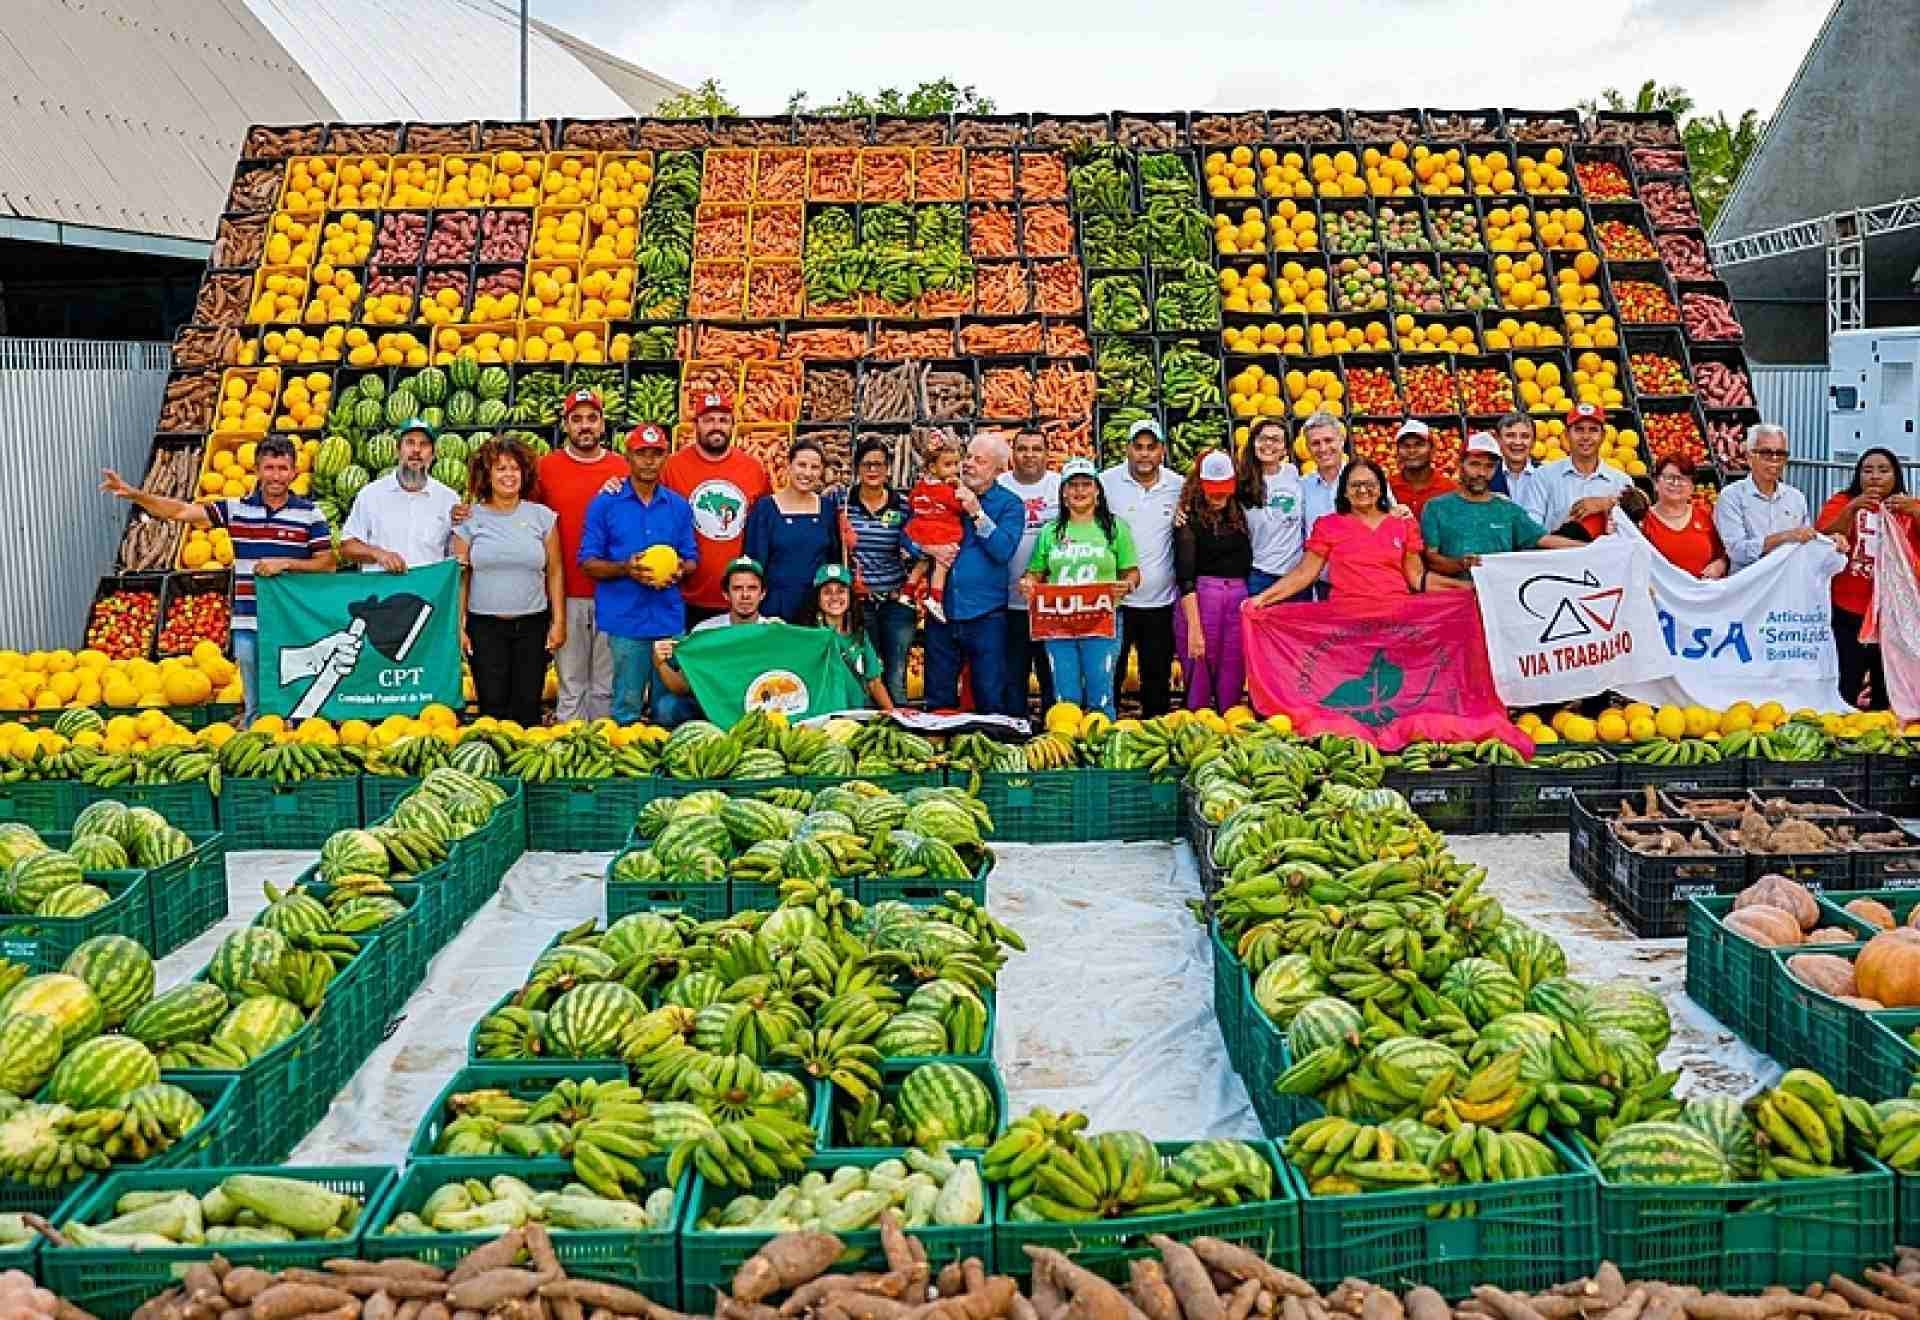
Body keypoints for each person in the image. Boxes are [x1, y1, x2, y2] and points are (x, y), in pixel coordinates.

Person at [99, 436, 334, 727]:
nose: (276, 475)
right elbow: (181, 511)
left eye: (283, 468)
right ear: (257, 470)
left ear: (294, 472)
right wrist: (136, 495)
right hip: (248, 616)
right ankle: (253, 733)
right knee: (251, 679)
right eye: (269, 468)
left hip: (290, 619)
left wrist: (286, 563)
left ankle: (295, 736)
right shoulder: (236, 509)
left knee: (293, 683)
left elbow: (327, 563)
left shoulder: (310, 513)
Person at [578, 423, 698, 726]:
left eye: (656, 454)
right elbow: (588, 561)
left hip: (667, 621)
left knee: (668, 706)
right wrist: (625, 569)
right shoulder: (604, 504)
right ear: (627, 457)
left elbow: (692, 558)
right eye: (641, 453)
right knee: (625, 705)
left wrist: (679, 571)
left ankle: (666, 766)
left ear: (665, 457)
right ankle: (629, 768)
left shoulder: (678, 507)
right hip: (625, 620)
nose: (648, 461)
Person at [1247, 459, 1471, 607]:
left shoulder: (1403, 524)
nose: (1363, 490)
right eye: (1355, 485)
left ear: (1382, 488)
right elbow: (1305, 574)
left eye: (1370, 484)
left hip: (1397, 618)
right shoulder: (1328, 525)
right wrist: (1262, 599)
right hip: (1346, 621)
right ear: (1344, 491)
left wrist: (1468, 589)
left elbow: (1417, 578)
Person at [451, 435, 564, 727]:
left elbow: (555, 571)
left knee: (527, 710)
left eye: (514, 468)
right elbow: (460, 577)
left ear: (524, 473)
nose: (508, 475)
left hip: (532, 625)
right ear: (486, 475)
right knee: (492, 710)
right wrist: (458, 625)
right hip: (484, 628)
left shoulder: (542, 517)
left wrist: (559, 621)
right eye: (500, 468)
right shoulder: (469, 518)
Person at [1016, 457, 1137, 718]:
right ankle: (1067, 745)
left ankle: (1101, 746)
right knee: (1065, 695)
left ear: (1097, 491)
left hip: (1101, 620)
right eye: (1073, 486)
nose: (1079, 491)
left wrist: (1126, 585)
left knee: (1101, 691)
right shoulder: (1051, 531)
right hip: (1059, 622)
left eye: (1086, 484)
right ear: (1063, 493)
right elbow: (1035, 572)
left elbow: (1132, 572)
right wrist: (1027, 583)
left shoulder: (1114, 528)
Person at [536, 385, 628, 723]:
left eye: (592, 418)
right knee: (571, 682)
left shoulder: (622, 468)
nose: (585, 426)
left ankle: (601, 754)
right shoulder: (546, 468)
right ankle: (569, 753)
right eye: (577, 419)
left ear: (603, 424)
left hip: (613, 590)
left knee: (606, 684)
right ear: (566, 424)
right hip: (565, 593)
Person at [919, 433, 1023, 716]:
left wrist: (977, 513)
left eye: (980, 461)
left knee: (990, 693)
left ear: (999, 470)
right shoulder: (941, 491)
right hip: (942, 613)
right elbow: (908, 535)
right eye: (968, 458)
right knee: (938, 694)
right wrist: (929, 547)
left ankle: (989, 748)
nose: (969, 465)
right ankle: (941, 752)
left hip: (986, 615)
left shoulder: (1009, 505)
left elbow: (1003, 550)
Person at [1816, 447, 1920, 709]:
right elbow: (1823, 536)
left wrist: (1916, 511)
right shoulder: (1842, 501)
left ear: (1896, 475)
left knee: (1890, 688)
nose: (1874, 476)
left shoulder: (1909, 505)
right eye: (1867, 470)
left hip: (1895, 615)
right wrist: (1852, 508)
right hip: (1848, 609)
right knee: (1846, 681)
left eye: (1883, 470)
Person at [661, 391, 770, 624]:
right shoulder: (671, 467)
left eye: (723, 420)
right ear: (695, 424)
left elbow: (765, 524)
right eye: (708, 420)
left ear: (732, 425)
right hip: (685, 595)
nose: (716, 426)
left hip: (739, 600)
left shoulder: (753, 469)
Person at [1102, 419, 1184, 717]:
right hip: (1116, 601)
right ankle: (1107, 732)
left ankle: (1155, 731)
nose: (1144, 454)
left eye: (1151, 447)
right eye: (1138, 447)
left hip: (1160, 601)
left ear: (1162, 450)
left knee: (1156, 676)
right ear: (1127, 449)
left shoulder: (1177, 486)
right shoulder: (1106, 482)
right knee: (1112, 674)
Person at [1420, 433, 1578, 581]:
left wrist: (1594, 548)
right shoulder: (1436, 508)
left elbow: (1543, 539)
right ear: (1460, 464)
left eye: (1489, 466)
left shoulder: (1507, 509)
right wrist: (1460, 564)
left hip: (1498, 596)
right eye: (1474, 464)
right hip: (1455, 596)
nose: (1481, 472)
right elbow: (1431, 559)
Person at [649, 557, 777, 725]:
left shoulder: (774, 631)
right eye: (737, 588)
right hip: (711, 707)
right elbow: (683, 687)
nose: (745, 595)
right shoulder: (705, 631)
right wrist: (660, 663)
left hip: (758, 708)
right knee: (666, 708)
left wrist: (782, 637)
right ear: (726, 594)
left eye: (752, 588)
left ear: (762, 594)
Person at [1175, 450, 1255, 712]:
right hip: (1202, 597)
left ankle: (1229, 727)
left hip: (1238, 597)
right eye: (1212, 489)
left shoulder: (1239, 511)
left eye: (1224, 488)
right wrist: (1195, 629)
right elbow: (1185, 577)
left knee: (1232, 673)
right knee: (1198, 670)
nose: (1218, 495)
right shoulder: (1188, 519)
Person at [839, 439, 915, 705]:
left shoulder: (902, 506)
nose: (873, 470)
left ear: (888, 469)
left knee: (895, 672)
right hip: (859, 603)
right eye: (866, 464)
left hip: (896, 600)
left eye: (879, 464)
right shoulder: (842, 502)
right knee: (865, 670)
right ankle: (867, 725)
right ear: (857, 468)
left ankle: (901, 726)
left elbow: (917, 546)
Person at [338, 418, 458, 570]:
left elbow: (456, 557)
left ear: (433, 455)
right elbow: (347, 547)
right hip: (383, 591)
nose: (416, 450)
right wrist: (378, 554)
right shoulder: (371, 495)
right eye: (410, 443)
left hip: (427, 592)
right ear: (398, 450)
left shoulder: (448, 499)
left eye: (424, 444)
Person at [998, 428, 1061, 712]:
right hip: (1007, 601)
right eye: (1023, 449)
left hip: (1050, 602)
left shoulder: (1060, 486)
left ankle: (1052, 731)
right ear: (1013, 454)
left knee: (1051, 674)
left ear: (1047, 454)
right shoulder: (999, 486)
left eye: (1037, 449)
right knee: (1013, 675)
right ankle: (1016, 731)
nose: (1030, 455)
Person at [744, 438, 840, 623]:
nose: (807, 473)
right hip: (775, 609)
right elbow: (753, 564)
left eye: (814, 467)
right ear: (788, 466)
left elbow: (833, 561)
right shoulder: (765, 509)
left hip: (816, 608)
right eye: (801, 465)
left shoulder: (827, 509)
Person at [1716, 423, 1818, 573]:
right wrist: (1784, 537)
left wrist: (1830, 542)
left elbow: (1805, 546)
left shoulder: (1796, 498)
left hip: (1787, 584)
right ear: (1749, 458)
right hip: (1750, 586)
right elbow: (1737, 552)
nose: (1775, 460)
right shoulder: (1731, 497)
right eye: (1766, 453)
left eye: (1781, 454)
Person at [796, 562, 894, 712]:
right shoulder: (809, 636)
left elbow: (874, 682)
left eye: (841, 591)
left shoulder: (860, 635)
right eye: (827, 592)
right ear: (818, 598)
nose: (835, 597)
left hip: (857, 718)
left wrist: (892, 713)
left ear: (850, 596)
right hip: (823, 721)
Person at [1534, 403, 1634, 540]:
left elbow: (1632, 531)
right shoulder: (1543, 476)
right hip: (1557, 557)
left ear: (1603, 436)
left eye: (1593, 430)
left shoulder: (1621, 481)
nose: (1586, 436)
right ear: (1566, 435)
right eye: (1579, 430)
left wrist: (1607, 503)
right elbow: (1532, 533)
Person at [901, 439, 967, 624]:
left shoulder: (921, 486)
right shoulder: (946, 490)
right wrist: (959, 489)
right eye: (948, 465)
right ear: (933, 467)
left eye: (956, 464)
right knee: (942, 564)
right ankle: (935, 598)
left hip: (921, 531)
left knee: (922, 562)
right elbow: (958, 506)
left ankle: (907, 592)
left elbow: (912, 501)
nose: (954, 470)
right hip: (940, 532)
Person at [1239, 419, 1306, 598]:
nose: (1268, 443)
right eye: (1263, 438)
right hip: (1261, 574)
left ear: (1285, 449)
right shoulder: (1241, 482)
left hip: (1297, 576)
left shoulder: (1293, 474)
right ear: (1253, 444)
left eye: (1276, 439)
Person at [1639, 454, 1730, 579]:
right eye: (1669, 478)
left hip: (1703, 594)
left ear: (1692, 486)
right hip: (1659, 597)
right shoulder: (1644, 521)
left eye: (1683, 479)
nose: (1675, 483)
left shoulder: (1706, 515)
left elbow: (1726, 552)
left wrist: (1721, 565)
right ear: (1655, 483)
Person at [1297, 411, 1349, 600]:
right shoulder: (1303, 486)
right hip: (1322, 584)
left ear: (1341, 441)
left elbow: (1390, 515)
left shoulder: (1363, 479)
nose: (1323, 448)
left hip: (1362, 584)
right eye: (1315, 443)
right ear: (1308, 449)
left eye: (1329, 440)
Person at [1388, 420, 1457, 519]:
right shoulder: (1387, 488)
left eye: (1419, 444)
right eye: (1405, 446)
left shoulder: (1449, 489)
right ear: (1397, 452)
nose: (1412, 451)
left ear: (1432, 450)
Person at [1489, 411, 1548, 525]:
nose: (1517, 442)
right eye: (1510, 435)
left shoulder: (1546, 475)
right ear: (1498, 440)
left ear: (1533, 443)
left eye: (1525, 436)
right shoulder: (1487, 475)